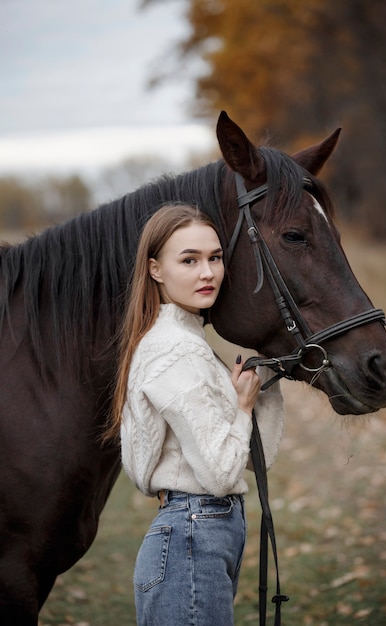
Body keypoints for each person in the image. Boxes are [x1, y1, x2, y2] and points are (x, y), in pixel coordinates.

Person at [108, 202, 284, 626]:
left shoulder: (178, 337)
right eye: (189, 260)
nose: (208, 272)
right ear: (155, 270)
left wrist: (264, 382)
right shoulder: (177, 349)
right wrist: (241, 406)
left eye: (215, 257)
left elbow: (249, 457)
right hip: (193, 532)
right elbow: (224, 475)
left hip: (196, 531)